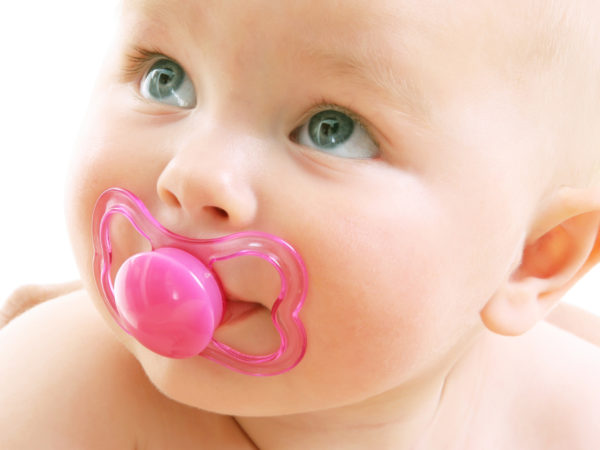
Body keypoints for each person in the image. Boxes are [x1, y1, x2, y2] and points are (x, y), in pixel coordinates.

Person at [2, 0, 600, 448]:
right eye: (166, 76)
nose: (192, 175)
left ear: (535, 257)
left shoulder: (573, 418)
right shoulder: (49, 401)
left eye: (332, 129)